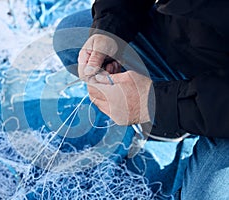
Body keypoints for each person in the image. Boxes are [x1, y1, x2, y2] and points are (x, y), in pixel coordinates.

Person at [53, 0, 229, 199]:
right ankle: (180, 122)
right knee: (71, 35)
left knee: (205, 195)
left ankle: (185, 117)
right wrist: (109, 28)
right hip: (193, 48)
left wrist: (159, 103)